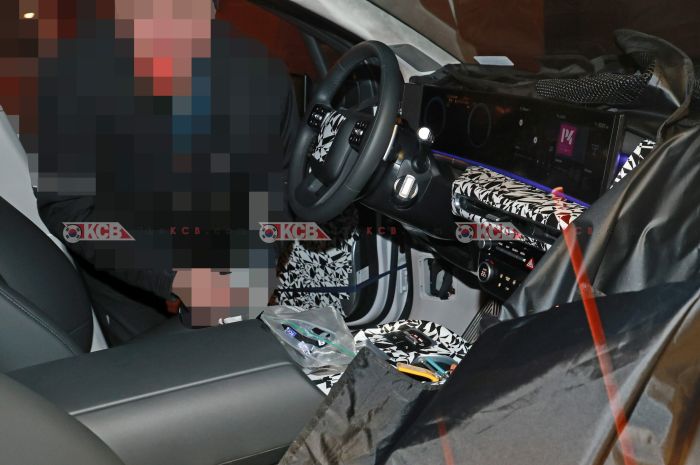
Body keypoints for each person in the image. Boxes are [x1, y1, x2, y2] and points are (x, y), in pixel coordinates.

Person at [37, 0, 299, 341]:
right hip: (130, 281)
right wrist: (173, 276)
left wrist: (259, 265)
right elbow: (70, 210)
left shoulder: (264, 78)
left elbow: (277, 187)